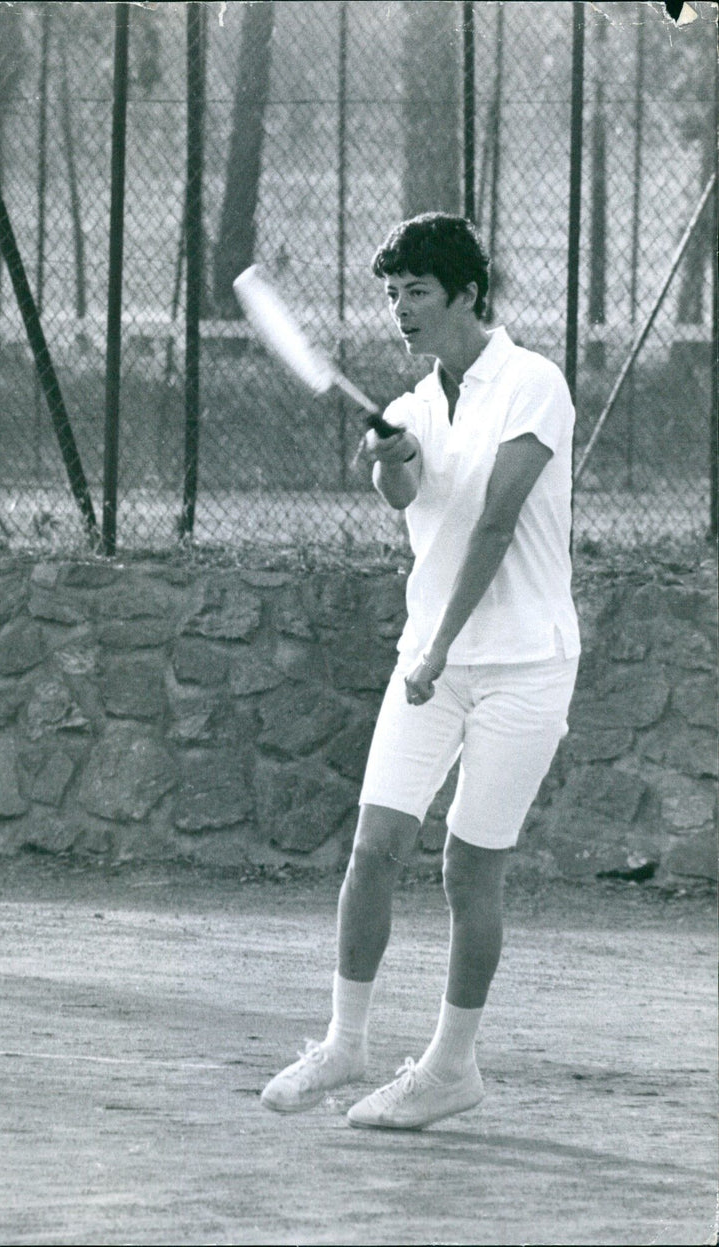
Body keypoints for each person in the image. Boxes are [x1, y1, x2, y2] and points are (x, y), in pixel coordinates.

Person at [261, 212, 580, 1130]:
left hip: (522, 666)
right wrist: (390, 456)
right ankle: (345, 1042)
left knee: (469, 870)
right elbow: (408, 494)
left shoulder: (533, 384)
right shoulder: (413, 402)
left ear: (467, 295)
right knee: (373, 849)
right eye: (392, 293)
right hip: (430, 664)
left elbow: (496, 521)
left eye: (418, 292)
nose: (401, 310)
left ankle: (450, 1066)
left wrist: (438, 646)